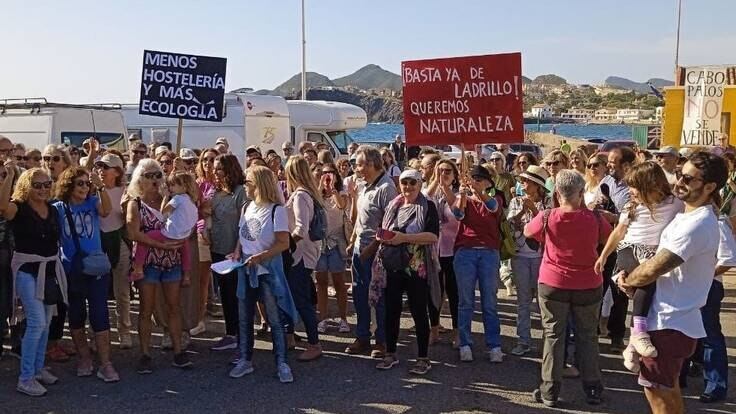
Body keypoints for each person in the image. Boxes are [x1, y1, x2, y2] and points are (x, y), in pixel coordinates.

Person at [617, 152, 727, 414]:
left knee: (658, 393)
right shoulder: (688, 216)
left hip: (669, 322)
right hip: (673, 320)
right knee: (666, 388)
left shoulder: (697, 224)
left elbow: (653, 269)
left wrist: (628, 281)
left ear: (709, 187)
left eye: (688, 178)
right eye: (679, 173)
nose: (679, 182)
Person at [524, 170, 612, 407]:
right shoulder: (594, 218)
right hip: (588, 283)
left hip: (554, 283)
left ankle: (550, 390)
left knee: (553, 335)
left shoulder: (547, 216)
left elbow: (527, 232)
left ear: (557, 192)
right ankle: (592, 388)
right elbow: (609, 238)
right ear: (581, 192)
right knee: (587, 337)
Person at [594, 162, 683, 372]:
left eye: (634, 186)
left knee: (653, 295)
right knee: (647, 278)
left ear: (650, 185)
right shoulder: (632, 206)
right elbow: (618, 233)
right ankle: (638, 333)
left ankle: (633, 345)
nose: (631, 191)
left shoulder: (675, 203)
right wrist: (604, 256)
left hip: (655, 254)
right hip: (630, 251)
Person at [227, 166, 298, 383]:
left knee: (275, 318)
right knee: (244, 316)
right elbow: (242, 234)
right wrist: (237, 251)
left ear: (258, 184)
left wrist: (260, 256)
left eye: (248, 182)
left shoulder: (277, 210)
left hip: (267, 269)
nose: (245, 186)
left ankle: (282, 362)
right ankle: (246, 359)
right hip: (246, 267)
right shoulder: (246, 207)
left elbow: (283, 243)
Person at [1, 167, 67, 396]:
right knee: (37, 321)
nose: (43, 189)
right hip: (27, 270)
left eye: (46, 184)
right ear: (26, 185)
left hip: (49, 269)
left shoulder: (52, 208)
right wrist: (9, 176)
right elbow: (2, 208)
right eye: (37, 185)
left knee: (47, 321)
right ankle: (25, 377)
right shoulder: (18, 208)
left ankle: (38, 369)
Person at [53, 166, 119, 382]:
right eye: (79, 183)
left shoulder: (92, 202)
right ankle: (84, 358)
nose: (84, 187)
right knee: (77, 315)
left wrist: (99, 187)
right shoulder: (58, 208)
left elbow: (106, 210)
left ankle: (106, 363)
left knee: (100, 313)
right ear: (68, 184)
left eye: (86, 183)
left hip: (96, 266)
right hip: (72, 269)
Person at [371, 169, 440, 374]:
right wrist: (384, 237)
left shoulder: (428, 206)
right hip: (393, 266)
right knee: (392, 311)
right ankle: (390, 353)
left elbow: (433, 236)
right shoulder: (395, 205)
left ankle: (423, 357)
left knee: (419, 311)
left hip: (416, 267)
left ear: (420, 184)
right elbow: (386, 229)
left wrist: (404, 238)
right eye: (404, 183)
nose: (408, 187)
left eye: (412, 183)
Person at [126, 159, 191, 372]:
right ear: (139, 179)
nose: (154, 179)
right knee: (146, 308)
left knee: (174, 307)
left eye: (157, 175)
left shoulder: (174, 200)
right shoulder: (134, 203)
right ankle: (145, 353)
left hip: (172, 261)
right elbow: (133, 233)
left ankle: (178, 350)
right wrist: (160, 244)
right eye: (149, 175)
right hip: (148, 263)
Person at [345, 145, 397, 357]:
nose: (356, 169)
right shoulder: (364, 186)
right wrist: (353, 240)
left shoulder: (387, 188)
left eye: (358, 165)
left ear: (370, 164)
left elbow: (390, 225)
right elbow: (360, 218)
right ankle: (363, 335)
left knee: (379, 297)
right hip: (359, 249)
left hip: (377, 253)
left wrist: (372, 247)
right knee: (359, 294)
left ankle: (382, 341)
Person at [452, 165, 504, 363]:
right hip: (465, 252)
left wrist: (479, 193)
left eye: (480, 179)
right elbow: (458, 215)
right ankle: (465, 343)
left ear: (488, 183)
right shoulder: (464, 198)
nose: (476, 182)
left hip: (489, 253)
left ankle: (494, 345)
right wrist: (463, 196)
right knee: (465, 301)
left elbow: (493, 208)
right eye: (474, 179)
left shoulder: (495, 198)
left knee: (489, 302)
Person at [507, 165, 552, 356]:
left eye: (526, 181)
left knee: (544, 303)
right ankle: (523, 340)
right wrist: (520, 212)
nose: (523, 184)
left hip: (542, 257)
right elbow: (510, 226)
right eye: (522, 181)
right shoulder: (516, 201)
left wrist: (534, 210)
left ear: (537, 185)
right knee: (523, 301)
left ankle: (547, 345)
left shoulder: (549, 203)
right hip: (520, 256)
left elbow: (549, 228)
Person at [284, 155, 324, 361]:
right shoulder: (309, 193)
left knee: (301, 300)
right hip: (306, 252)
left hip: (299, 253)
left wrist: (286, 245)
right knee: (297, 296)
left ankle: (314, 343)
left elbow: (301, 227)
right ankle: (290, 336)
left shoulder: (300, 195)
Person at [596, 146, 636, 351]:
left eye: (612, 161)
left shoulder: (635, 185)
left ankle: (617, 335)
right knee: (598, 286)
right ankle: (594, 329)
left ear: (626, 165)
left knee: (619, 291)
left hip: (625, 245)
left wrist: (612, 217)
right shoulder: (606, 182)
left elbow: (633, 217)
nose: (608, 165)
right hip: (604, 241)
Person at [94, 153, 133, 349]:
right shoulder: (92, 190)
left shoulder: (126, 191)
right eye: (99, 166)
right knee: (97, 293)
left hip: (119, 240)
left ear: (117, 172)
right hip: (97, 243)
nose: (101, 170)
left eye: (105, 167)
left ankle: (124, 331)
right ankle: (99, 333)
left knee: (122, 292)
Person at [131, 171, 198, 285]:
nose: (170, 188)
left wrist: (166, 197)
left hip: (169, 233)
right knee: (185, 252)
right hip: (184, 234)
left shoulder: (177, 199)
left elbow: (163, 211)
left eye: (173, 185)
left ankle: (138, 267)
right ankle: (186, 276)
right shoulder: (191, 200)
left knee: (145, 238)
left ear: (184, 186)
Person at [209, 154, 246, 352]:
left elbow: (244, 223)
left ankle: (239, 335)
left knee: (235, 294)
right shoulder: (215, 192)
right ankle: (230, 332)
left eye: (219, 169)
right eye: (214, 169)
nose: (215, 172)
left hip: (234, 251)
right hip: (217, 248)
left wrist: (238, 249)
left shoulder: (240, 192)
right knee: (224, 293)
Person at [424, 159, 461, 346]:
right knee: (433, 290)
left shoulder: (460, 194)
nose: (444, 173)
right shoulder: (432, 193)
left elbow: (457, 213)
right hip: (434, 249)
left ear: (455, 175)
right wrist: (435, 181)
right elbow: (422, 199)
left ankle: (456, 331)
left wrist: (446, 188)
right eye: (440, 170)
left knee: (454, 292)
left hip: (453, 248)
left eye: (447, 171)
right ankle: (434, 328)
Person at [315, 163, 350, 334]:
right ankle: (323, 318)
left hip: (336, 243)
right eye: (324, 173)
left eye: (330, 172)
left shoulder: (342, 193)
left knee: (339, 282)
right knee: (321, 282)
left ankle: (343, 318)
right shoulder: (316, 194)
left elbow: (342, 206)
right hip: (320, 244)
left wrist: (333, 189)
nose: (327, 175)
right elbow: (316, 206)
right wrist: (321, 187)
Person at [191, 148, 218, 335]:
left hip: (222, 236)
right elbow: (195, 209)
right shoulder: (196, 184)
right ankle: (199, 320)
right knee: (201, 281)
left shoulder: (224, 185)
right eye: (205, 159)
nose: (208, 163)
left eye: (212, 159)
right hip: (201, 234)